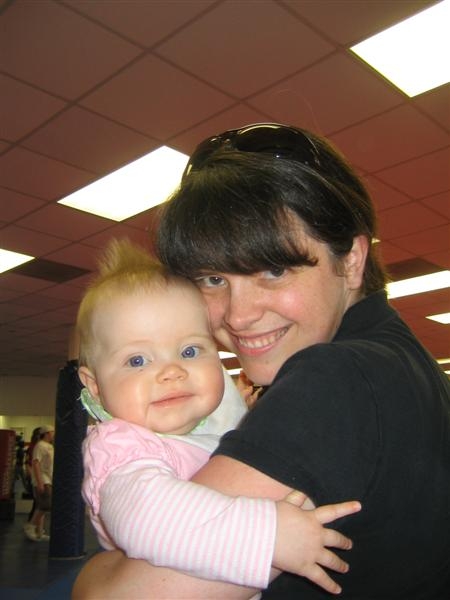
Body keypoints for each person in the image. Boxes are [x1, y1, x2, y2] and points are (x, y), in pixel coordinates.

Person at [73, 123, 450, 599]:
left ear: (352, 261)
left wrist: (95, 572)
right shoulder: (404, 362)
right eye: (212, 279)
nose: (238, 315)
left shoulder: (335, 379)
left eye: (274, 269)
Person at [75, 238, 359, 595]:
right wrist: (269, 536)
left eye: (190, 351)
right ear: (95, 386)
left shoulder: (207, 424)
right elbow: (146, 519)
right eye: (137, 360)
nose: (172, 372)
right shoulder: (121, 447)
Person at [24, 424, 54, 541]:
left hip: (48, 478)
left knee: (41, 506)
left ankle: (40, 532)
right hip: (43, 479)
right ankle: (30, 526)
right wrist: (40, 481)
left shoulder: (49, 446)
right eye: (52, 432)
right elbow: (36, 463)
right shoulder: (40, 446)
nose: (54, 434)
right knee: (46, 504)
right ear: (46, 434)